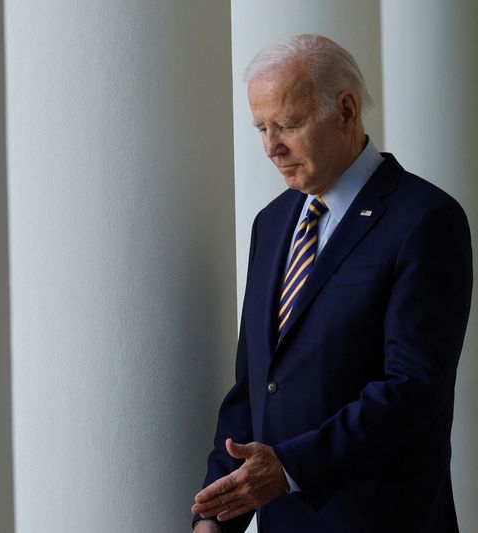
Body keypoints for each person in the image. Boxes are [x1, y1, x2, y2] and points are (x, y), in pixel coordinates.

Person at [191, 34, 472, 532]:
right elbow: (255, 384)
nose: (271, 148)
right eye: (261, 127)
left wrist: (290, 467)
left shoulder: (426, 219)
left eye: (288, 124)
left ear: (345, 111)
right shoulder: (271, 223)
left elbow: (412, 388)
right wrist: (216, 516)